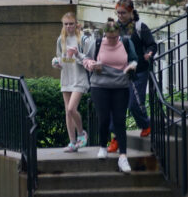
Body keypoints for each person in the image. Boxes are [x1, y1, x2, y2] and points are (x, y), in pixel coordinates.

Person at [82, 18, 138, 174]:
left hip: (121, 86)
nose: (111, 40)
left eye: (114, 37)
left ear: (119, 33)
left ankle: (123, 156)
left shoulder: (126, 43)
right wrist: (92, 65)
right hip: (100, 86)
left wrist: (131, 67)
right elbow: (86, 59)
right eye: (109, 37)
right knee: (104, 118)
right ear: (105, 34)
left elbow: (134, 60)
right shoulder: (98, 43)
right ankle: (102, 147)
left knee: (120, 120)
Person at [115, 0, 155, 146]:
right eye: (118, 13)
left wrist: (149, 54)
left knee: (134, 104)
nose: (120, 16)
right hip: (120, 71)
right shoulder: (114, 28)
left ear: (131, 12)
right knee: (117, 106)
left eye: (123, 13)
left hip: (138, 71)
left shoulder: (140, 27)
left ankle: (146, 124)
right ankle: (116, 138)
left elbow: (152, 45)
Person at [51, 13, 90, 152]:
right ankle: (72, 142)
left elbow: (88, 61)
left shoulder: (83, 39)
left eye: (71, 23)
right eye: (66, 24)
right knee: (67, 112)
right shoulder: (61, 40)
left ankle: (81, 134)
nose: (69, 26)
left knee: (71, 108)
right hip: (66, 78)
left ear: (76, 24)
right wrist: (56, 63)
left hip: (79, 78)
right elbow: (62, 60)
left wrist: (76, 55)